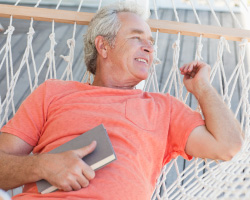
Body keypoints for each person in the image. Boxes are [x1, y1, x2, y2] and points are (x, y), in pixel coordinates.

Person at [0, 2, 243, 200]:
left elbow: (228, 146)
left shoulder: (164, 107)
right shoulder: (53, 93)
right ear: (103, 46)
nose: (149, 48)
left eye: (151, 43)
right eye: (137, 38)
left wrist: (203, 88)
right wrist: (42, 166)